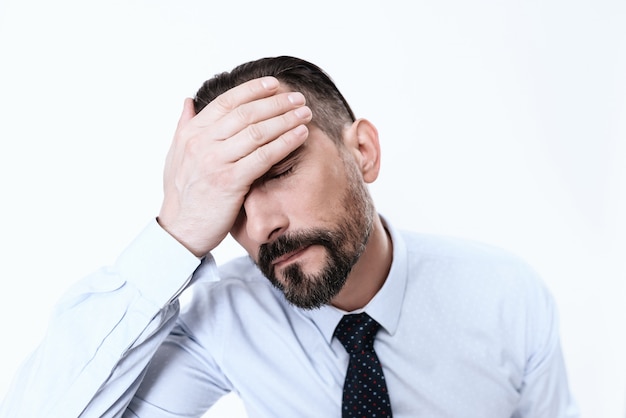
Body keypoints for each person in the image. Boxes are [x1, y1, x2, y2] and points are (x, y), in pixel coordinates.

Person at [0, 56, 579, 418]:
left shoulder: (507, 295)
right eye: (231, 202)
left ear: (364, 152)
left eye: (279, 172)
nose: (261, 226)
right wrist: (175, 233)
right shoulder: (224, 319)